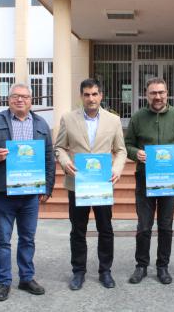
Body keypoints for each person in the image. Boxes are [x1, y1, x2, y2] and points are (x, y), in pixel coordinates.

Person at [0, 83, 55, 302]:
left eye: (24, 97)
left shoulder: (41, 124)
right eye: (15, 96)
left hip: (31, 194)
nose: (20, 100)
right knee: (2, 239)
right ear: (9, 99)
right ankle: (4, 282)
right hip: (3, 192)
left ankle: (26, 277)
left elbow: (49, 157)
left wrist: (48, 187)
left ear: (31, 100)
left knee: (27, 238)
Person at [55, 78, 127, 290]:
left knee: (105, 229)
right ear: (81, 97)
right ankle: (78, 271)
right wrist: (66, 162)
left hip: (102, 184)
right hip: (77, 184)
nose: (91, 98)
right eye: (87, 94)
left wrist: (117, 168)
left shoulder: (113, 120)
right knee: (78, 230)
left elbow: (121, 150)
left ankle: (105, 271)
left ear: (101, 96)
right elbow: (59, 147)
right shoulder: (68, 119)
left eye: (95, 94)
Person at [125, 77, 174, 285]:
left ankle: (162, 266)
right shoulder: (137, 118)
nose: (157, 97)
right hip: (144, 177)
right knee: (144, 225)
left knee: (165, 225)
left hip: (169, 179)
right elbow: (127, 144)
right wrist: (135, 153)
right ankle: (141, 266)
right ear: (146, 95)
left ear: (167, 93)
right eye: (153, 93)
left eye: (161, 92)